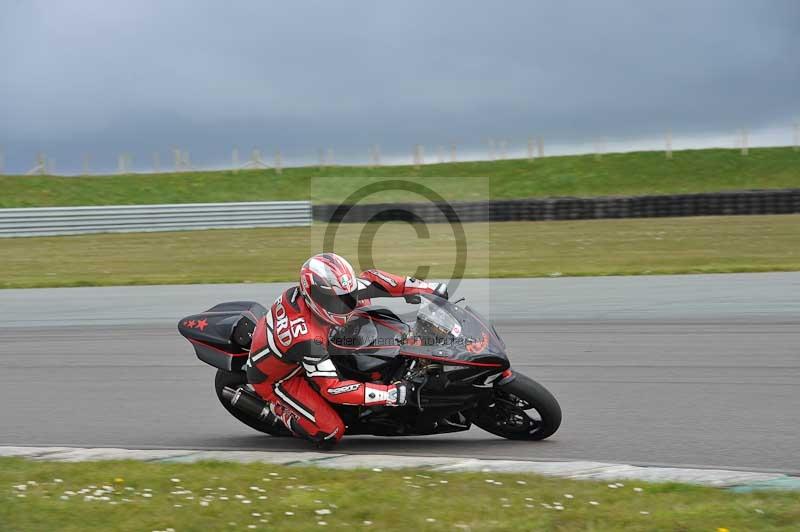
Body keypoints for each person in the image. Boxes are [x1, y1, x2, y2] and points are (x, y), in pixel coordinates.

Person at [246, 252, 448, 445]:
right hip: (279, 378)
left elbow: (373, 280)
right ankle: (278, 410)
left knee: (365, 306)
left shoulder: (333, 291)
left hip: (298, 348)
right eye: (336, 300)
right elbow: (332, 388)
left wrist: (424, 287)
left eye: (348, 296)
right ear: (314, 297)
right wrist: (390, 394)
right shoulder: (306, 337)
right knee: (330, 432)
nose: (345, 304)